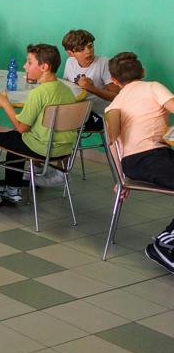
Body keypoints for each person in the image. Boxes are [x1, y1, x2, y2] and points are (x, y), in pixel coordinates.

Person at [0, 44, 80, 210]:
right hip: (63, 149)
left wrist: (4, 102)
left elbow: (21, 127)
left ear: (44, 67)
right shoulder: (66, 90)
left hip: (40, 147)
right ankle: (12, 188)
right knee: (14, 138)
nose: (25, 66)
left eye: (29, 62)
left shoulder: (38, 93)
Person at [104, 52, 174, 246]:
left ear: (114, 80)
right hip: (151, 158)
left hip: (134, 163)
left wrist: (120, 179)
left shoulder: (112, 106)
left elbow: (114, 146)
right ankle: (164, 243)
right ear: (143, 72)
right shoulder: (153, 87)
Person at [62, 29, 118, 133]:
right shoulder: (70, 62)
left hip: (100, 115)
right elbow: (67, 88)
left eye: (90, 46)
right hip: (78, 110)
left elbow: (117, 97)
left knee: (60, 123)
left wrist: (92, 88)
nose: (88, 51)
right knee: (50, 116)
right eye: (81, 49)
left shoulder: (104, 63)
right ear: (70, 53)